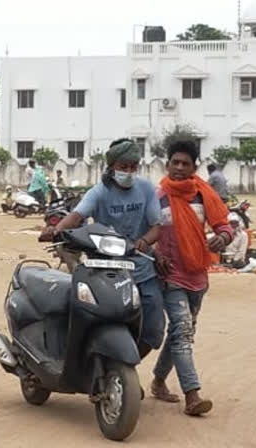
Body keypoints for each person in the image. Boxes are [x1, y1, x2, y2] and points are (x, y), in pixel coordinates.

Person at [40, 138, 165, 361]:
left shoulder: (146, 189)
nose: (128, 171)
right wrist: (55, 230)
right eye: (123, 167)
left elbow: (157, 227)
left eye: (132, 167)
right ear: (111, 167)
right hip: (106, 269)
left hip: (142, 269)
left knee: (154, 330)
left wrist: (144, 241)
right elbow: (77, 215)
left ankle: (125, 368)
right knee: (91, 317)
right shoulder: (99, 192)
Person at [150, 139, 232, 416]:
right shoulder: (157, 197)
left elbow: (224, 224)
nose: (180, 168)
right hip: (170, 276)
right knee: (183, 331)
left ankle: (159, 382)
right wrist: (154, 254)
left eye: (186, 163)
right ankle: (192, 396)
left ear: (194, 167)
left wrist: (222, 237)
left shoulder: (203, 195)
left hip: (198, 276)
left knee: (180, 333)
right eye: (175, 162)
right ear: (167, 164)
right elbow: (147, 233)